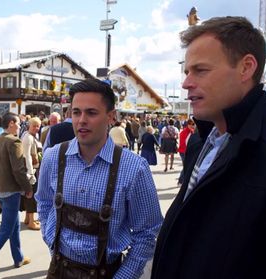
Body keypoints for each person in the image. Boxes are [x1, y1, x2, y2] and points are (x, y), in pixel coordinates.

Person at [151, 16, 266, 278]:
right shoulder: (202, 141)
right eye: (186, 72)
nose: (186, 83)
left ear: (246, 68)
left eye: (200, 70)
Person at [36, 78, 163, 279]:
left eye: (91, 113)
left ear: (111, 117)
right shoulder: (53, 157)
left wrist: (124, 276)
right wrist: (52, 243)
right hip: (58, 270)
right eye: (76, 112)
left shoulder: (134, 168)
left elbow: (147, 233)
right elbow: (43, 203)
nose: (81, 120)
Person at [0, 112, 33, 273]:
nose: (19, 126)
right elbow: (18, 170)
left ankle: (18, 257)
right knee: (5, 230)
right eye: (17, 123)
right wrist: (28, 188)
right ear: (11, 123)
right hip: (10, 192)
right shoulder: (14, 141)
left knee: (13, 224)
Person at [20, 117, 43, 230]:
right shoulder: (28, 137)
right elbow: (27, 156)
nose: (36, 128)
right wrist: (30, 173)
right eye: (34, 125)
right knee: (31, 195)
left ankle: (27, 218)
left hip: (33, 169)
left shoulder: (31, 136)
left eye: (38, 126)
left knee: (29, 194)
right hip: (31, 170)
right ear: (29, 125)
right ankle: (31, 221)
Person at [176, 119, 195, 185]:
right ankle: (181, 180)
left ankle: (181, 180)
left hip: (183, 151)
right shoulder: (188, 132)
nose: (193, 126)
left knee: (186, 166)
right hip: (184, 151)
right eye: (192, 124)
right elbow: (186, 143)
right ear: (188, 124)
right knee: (186, 166)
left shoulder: (189, 131)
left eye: (194, 124)